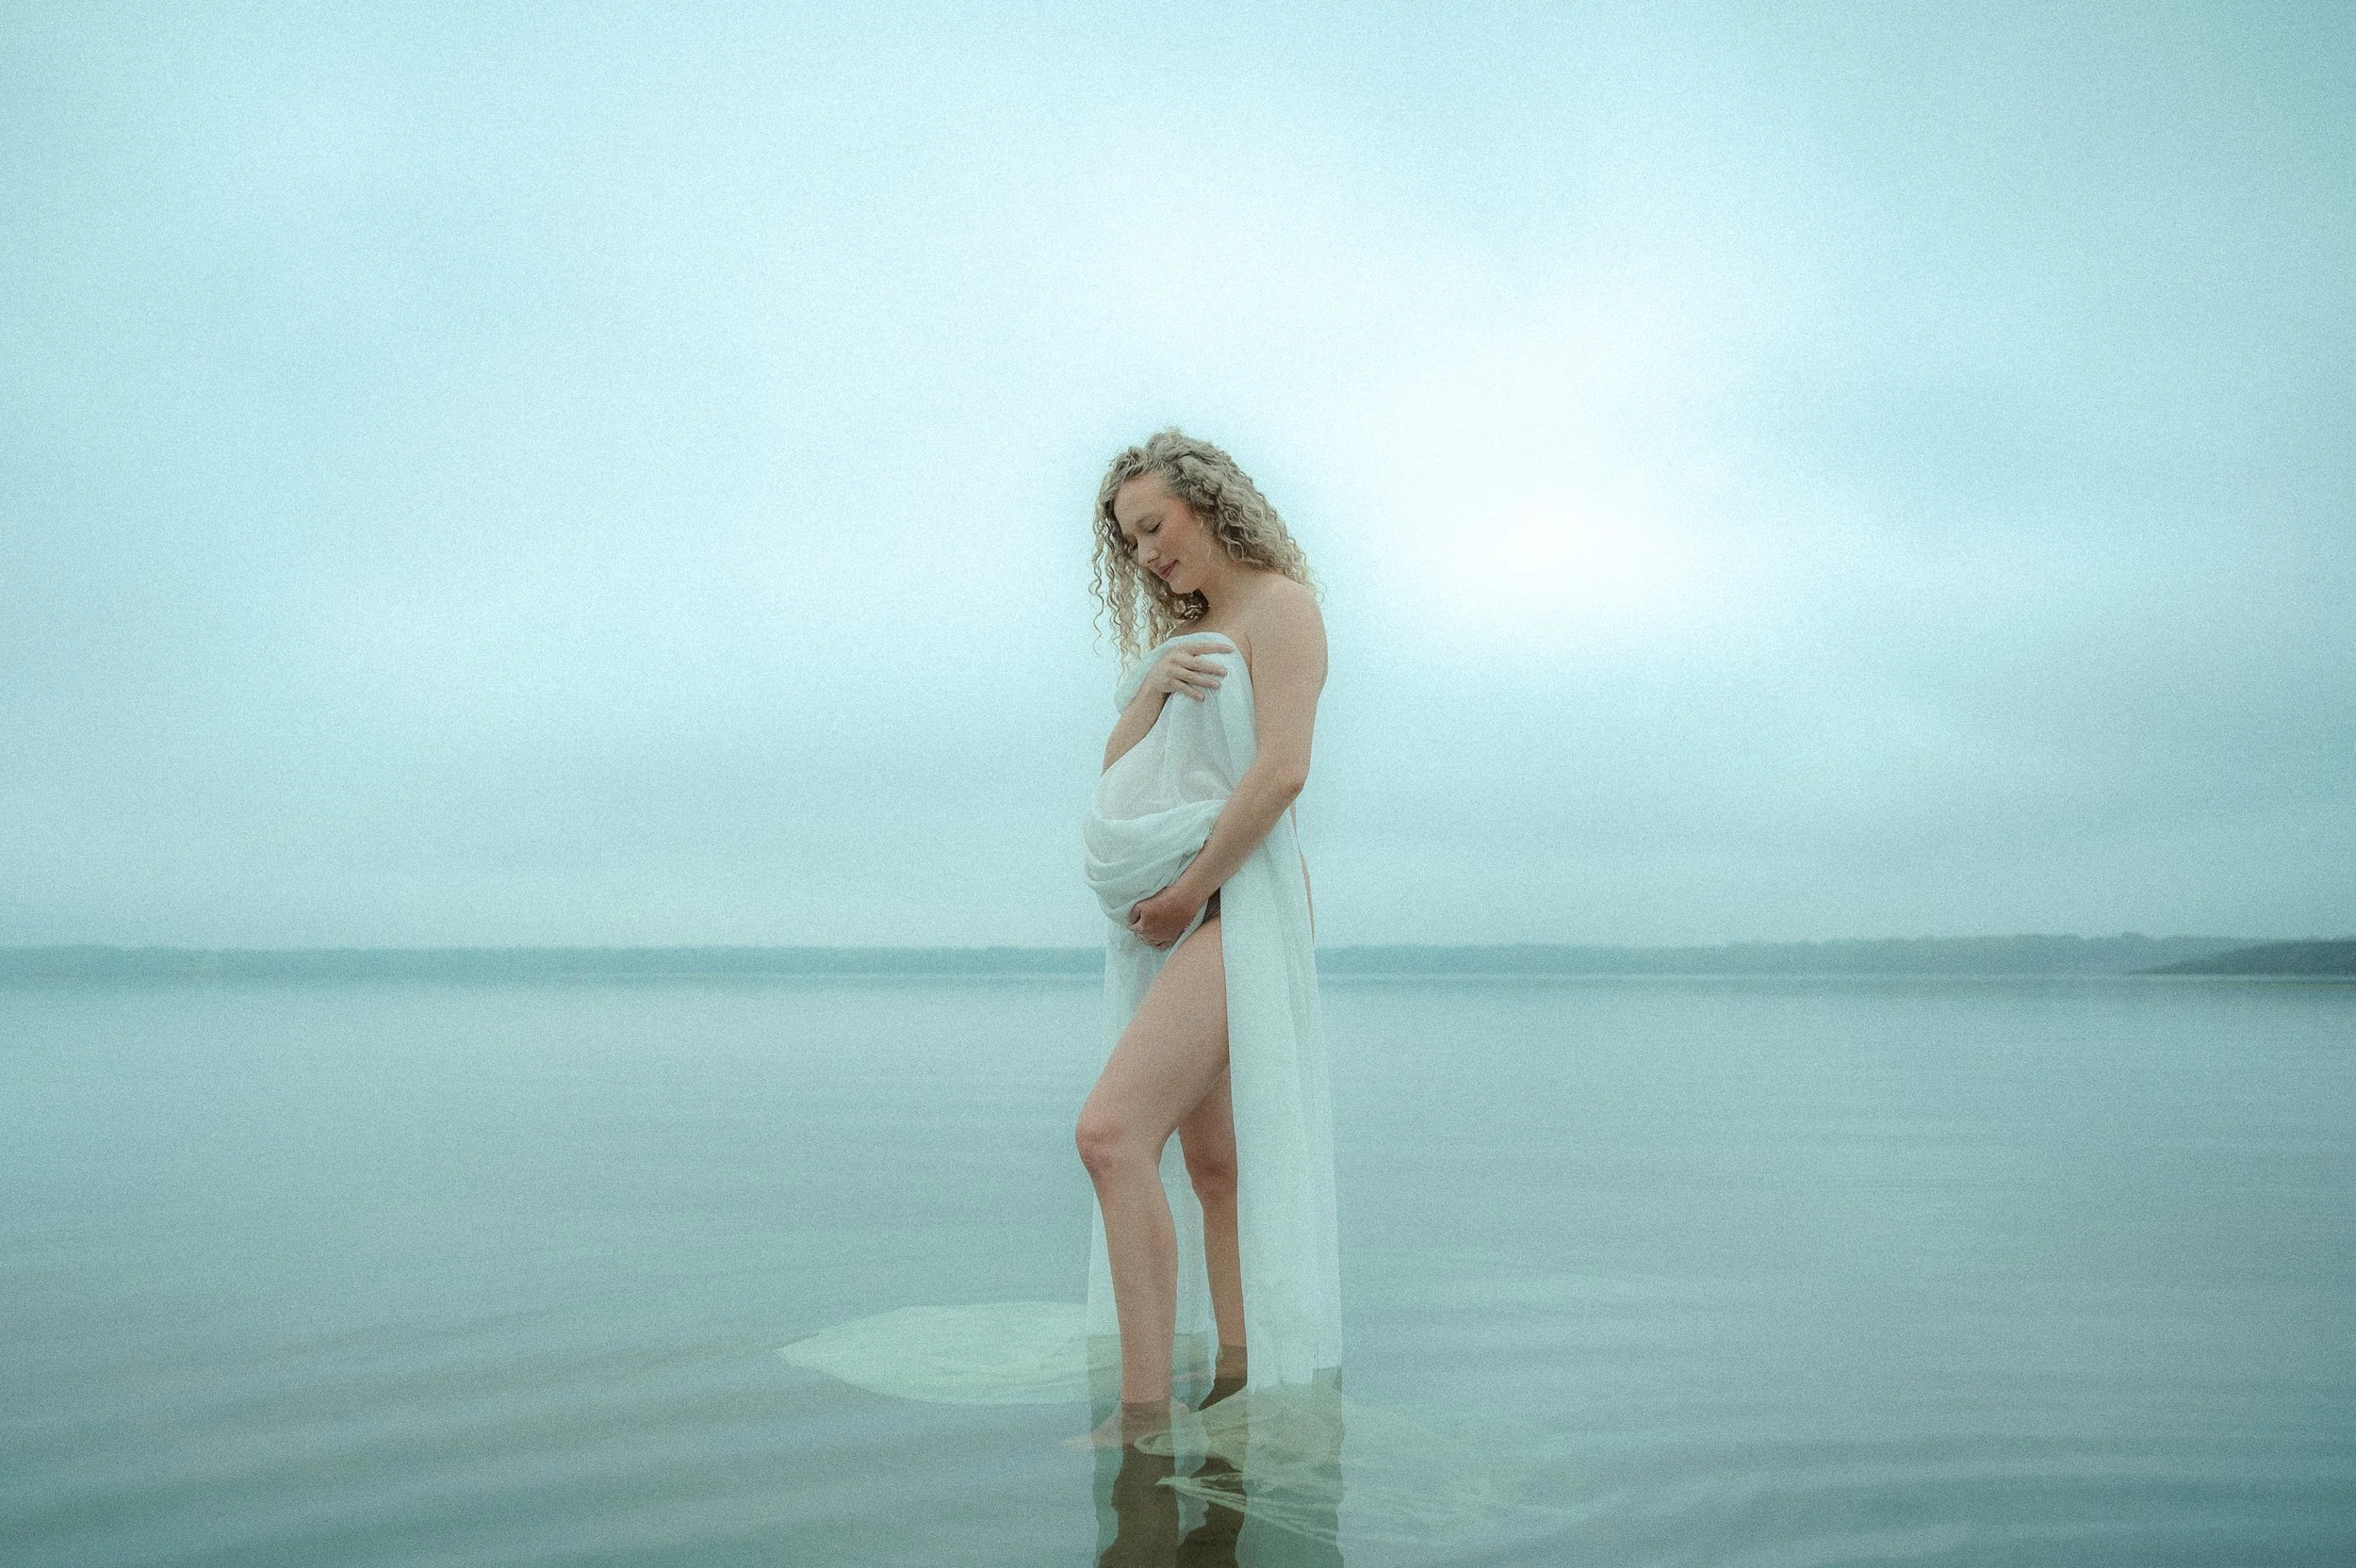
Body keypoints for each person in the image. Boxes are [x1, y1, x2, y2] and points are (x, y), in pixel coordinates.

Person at [1075, 429, 1342, 1452]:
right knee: (1213, 1165)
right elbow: (1121, 762)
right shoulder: (1192, 632)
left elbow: (1280, 773)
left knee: (1108, 1135)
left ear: (1207, 502)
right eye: (1130, 543)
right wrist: (1147, 684)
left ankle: (1142, 1417)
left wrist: (1188, 889)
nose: (1146, 554)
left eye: (1154, 526)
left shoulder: (1280, 608)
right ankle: (1233, 1379)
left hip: (1240, 906)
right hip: (1183, 913)